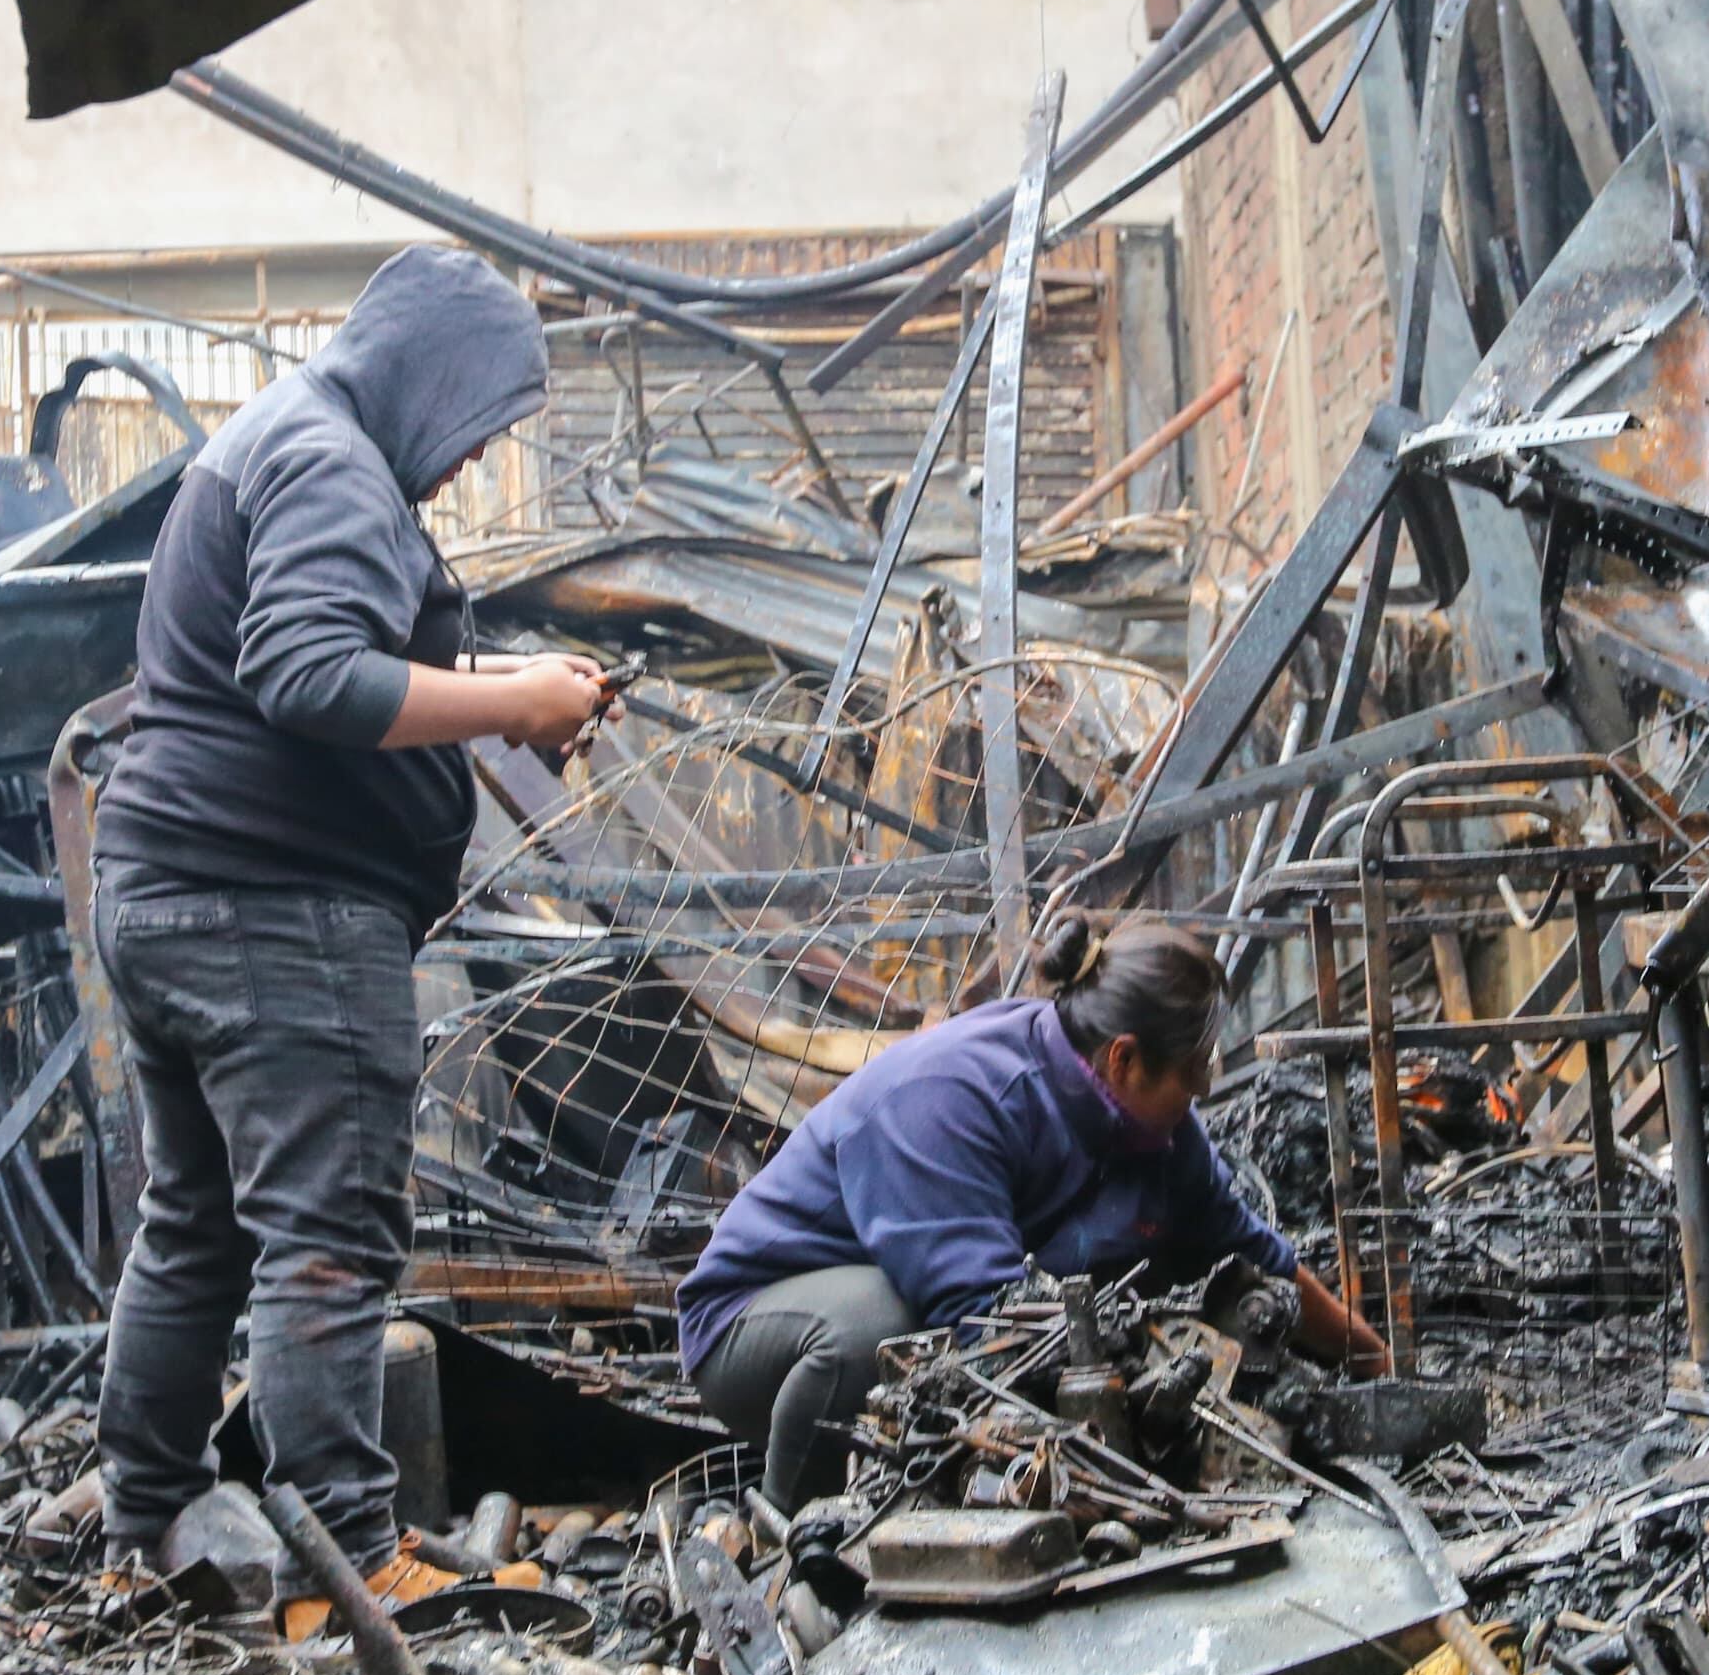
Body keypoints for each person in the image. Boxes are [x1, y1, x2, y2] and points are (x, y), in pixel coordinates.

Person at [90, 248, 607, 1569]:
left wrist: (516, 686)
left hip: (168, 892)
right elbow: (309, 674)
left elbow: (331, 652)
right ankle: (355, 1578)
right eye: (478, 424)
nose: (465, 463)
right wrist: (507, 706)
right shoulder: (333, 462)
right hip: (276, 916)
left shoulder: (277, 437)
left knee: (197, 1224)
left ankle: (147, 1521)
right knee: (325, 1246)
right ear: (427, 377)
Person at [677, 915, 1390, 1506]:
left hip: (925, 1300)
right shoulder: (952, 1096)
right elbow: (985, 1316)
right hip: (757, 1325)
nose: (1204, 1087)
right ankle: (795, 1543)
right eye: (1194, 1070)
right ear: (1124, 1059)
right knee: (883, 1330)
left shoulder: (1160, 1130)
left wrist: (1376, 1363)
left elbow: (1252, 1253)